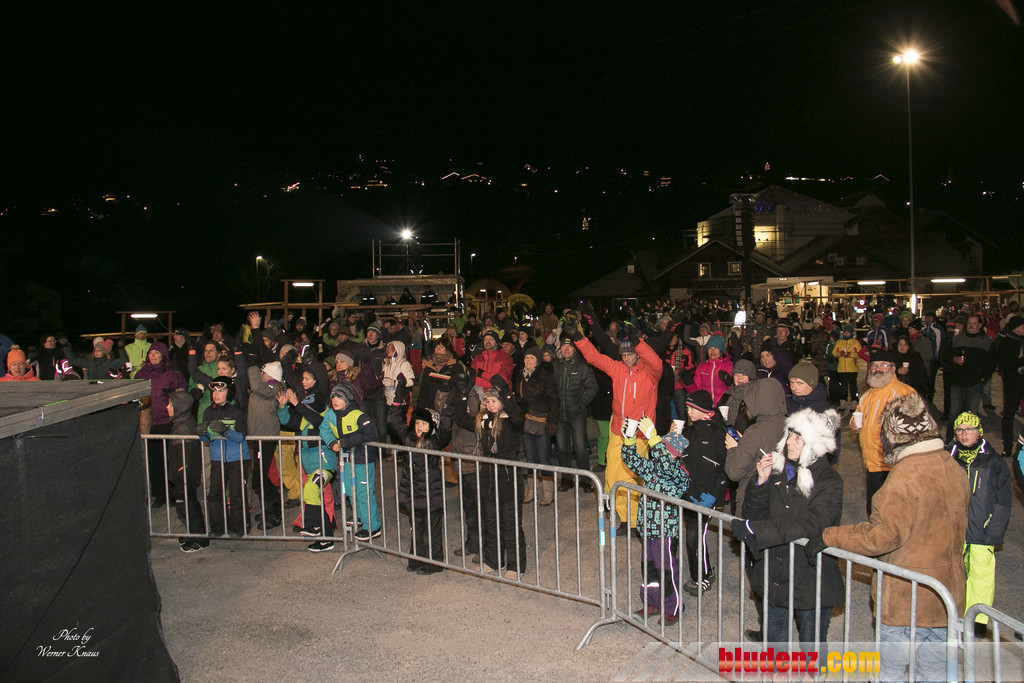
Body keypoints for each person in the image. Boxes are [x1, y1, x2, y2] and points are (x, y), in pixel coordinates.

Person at [817, 393, 969, 682]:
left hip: (906, 601)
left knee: (890, 674)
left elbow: (881, 536)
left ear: (891, 436)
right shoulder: (953, 467)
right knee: (934, 674)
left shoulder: (902, 478)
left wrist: (830, 536)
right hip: (946, 597)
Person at [731, 407, 844, 655]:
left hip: (810, 577)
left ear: (814, 446)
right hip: (775, 574)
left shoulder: (829, 482)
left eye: (798, 438)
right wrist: (760, 482)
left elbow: (810, 525)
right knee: (775, 646)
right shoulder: (779, 471)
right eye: (789, 435)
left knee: (812, 647)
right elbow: (753, 514)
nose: (789, 442)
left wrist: (757, 531)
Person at [568, 304, 661, 532]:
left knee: (631, 478)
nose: (626, 358)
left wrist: (638, 342)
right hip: (618, 430)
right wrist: (579, 338)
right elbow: (594, 358)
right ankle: (623, 516)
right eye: (623, 355)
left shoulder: (651, 373)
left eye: (630, 354)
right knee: (612, 475)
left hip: (640, 434)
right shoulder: (618, 368)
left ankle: (635, 521)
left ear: (637, 354)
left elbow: (655, 361)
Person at [450, 375, 526, 579]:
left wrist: (506, 392)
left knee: (510, 522)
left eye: (494, 401)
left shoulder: (510, 420)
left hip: (508, 476)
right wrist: (462, 395)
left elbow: (518, 415)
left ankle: (515, 565)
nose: (491, 405)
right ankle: (493, 560)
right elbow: (460, 418)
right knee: (491, 521)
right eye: (488, 401)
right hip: (488, 477)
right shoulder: (483, 421)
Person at [945, 412, 1011, 637]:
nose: (965, 434)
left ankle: (978, 621)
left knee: (981, 575)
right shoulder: (946, 458)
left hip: (983, 529)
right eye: (960, 430)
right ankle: (952, 616)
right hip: (953, 529)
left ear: (979, 432)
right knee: (952, 573)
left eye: (970, 429)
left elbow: (1003, 502)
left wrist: (993, 530)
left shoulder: (994, 462)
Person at [621, 417, 691, 627]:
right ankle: (652, 602)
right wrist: (629, 439)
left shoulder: (679, 474)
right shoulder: (652, 468)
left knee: (666, 569)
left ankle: (672, 607)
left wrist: (653, 438)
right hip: (648, 528)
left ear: (675, 454)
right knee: (649, 568)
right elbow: (632, 460)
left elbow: (667, 466)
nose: (657, 451)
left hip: (665, 531)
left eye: (663, 448)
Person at [389, 383, 452, 574]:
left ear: (432, 426)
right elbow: (393, 420)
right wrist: (398, 397)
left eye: (424, 424)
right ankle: (417, 558)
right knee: (415, 527)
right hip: (412, 492)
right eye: (417, 423)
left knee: (432, 529)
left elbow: (446, 427)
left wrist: (451, 401)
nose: (419, 427)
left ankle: (434, 562)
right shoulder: (408, 438)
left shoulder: (434, 441)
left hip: (430, 493)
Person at [852, 349, 919, 516]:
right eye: (874, 365)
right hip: (872, 462)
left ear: (893, 368)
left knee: (895, 510)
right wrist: (853, 422)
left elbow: (916, 429)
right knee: (875, 507)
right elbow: (859, 413)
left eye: (883, 365)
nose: (878, 369)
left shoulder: (904, 393)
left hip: (893, 464)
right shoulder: (867, 395)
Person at [678, 390, 729, 596]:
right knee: (695, 538)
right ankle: (705, 571)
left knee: (694, 538)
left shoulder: (718, 433)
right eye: (688, 408)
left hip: (706, 496)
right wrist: (672, 436)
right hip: (688, 494)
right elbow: (673, 455)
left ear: (703, 410)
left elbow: (726, 468)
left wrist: (714, 495)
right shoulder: (688, 432)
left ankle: (702, 577)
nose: (688, 412)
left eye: (692, 408)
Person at [277, 368, 335, 551]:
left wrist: (296, 403)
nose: (303, 382)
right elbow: (289, 422)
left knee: (311, 489)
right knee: (312, 494)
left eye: (307, 378)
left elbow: (316, 420)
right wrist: (283, 406)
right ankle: (324, 537)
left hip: (325, 464)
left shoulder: (324, 414)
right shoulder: (304, 418)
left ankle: (315, 527)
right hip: (309, 464)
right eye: (302, 378)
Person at [320, 381, 381, 542]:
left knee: (363, 492)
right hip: (347, 459)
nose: (335, 400)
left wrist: (345, 442)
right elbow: (324, 429)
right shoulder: (330, 414)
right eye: (333, 396)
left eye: (339, 397)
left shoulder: (358, 415)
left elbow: (371, 434)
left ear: (347, 399)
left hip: (362, 459)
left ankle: (372, 526)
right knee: (349, 490)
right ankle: (360, 516)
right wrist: (331, 442)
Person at [724, 378, 787, 513]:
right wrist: (744, 444)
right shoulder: (789, 426)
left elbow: (734, 472)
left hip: (753, 499)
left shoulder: (755, 433)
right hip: (780, 499)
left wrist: (733, 449)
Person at [136, 342, 187, 507]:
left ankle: (173, 493)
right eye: (151, 353)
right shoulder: (142, 374)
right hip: (149, 422)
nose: (153, 355)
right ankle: (159, 495)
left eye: (156, 353)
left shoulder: (171, 373)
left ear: (163, 356)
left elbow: (181, 392)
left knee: (170, 459)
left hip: (167, 421)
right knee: (154, 460)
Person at [198, 376, 250, 537]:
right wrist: (201, 434)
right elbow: (207, 439)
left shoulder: (236, 411)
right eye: (214, 391)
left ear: (229, 392)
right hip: (217, 458)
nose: (216, 394)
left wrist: (226, 431)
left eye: (221, 391)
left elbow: (241, 437)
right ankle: (218, 527)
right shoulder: (208, 412)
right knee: (214, 493)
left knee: (236, 493)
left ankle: (239, 527)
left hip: (237, 458)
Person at [514, 347, 559, 505]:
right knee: (530, 457)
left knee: (543, 458)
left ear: (538, 360)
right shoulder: (520, 376)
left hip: (541, 421)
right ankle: (531, 490)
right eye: (527, 357)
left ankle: (548, 492)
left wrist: (551, 420)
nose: (528, 360)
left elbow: (554, 399)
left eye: (532, 358)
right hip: (526, 421)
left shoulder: (545, 375)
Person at [552, 334, 598, 490]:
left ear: (574, 349)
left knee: (580, 449)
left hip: (577, 414)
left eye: (569, 346)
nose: (566, 349)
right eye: (564, 346)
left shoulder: (582, 366)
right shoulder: (555, 365)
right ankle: (566, 480)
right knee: (562, 449)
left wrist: (581, 404)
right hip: (560, 415)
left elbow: (592, 388)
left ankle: (585, 481)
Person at [165, 390, 208, 552]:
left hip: (184, 474)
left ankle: (199, 539)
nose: (167, 407)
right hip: (182, 473)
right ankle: (193, 533)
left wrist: (182, 472)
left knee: (187, 505)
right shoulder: (180, 423)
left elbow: (186, 454)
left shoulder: (183, 427)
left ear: (180, 406)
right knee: (185, 504)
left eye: (170, 404)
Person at [941, 313, 994, 442]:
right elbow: (945, 355)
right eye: (969, 323)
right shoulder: (958, 339)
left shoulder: (986, 342)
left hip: (975, 384)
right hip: (957, 382)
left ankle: (969, 442)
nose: (971, 326)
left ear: (980, 325)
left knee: (970, 416)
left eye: (974, 323)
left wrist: (984, 376)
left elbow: (992, 362)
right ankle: (950, 442)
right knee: (953, 414)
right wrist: (954, 358)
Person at [995, 316, 1024, 457]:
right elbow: (1005, 364)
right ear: (1016, 328)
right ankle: (1007, 445)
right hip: (1013, 383)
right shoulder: (1007, 342)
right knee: (1008, 414)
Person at [693, 334, 732, 406]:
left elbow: (733, 389)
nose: (712, 351)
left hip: (722, 405)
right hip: (705, 404)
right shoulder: (701, 367)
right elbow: (697, 388)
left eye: (716, 348)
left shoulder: (728, 366)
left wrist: (729, 382)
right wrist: (689, 384)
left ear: (721, 350)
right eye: (710, 348)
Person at [831, 324, 862, 412]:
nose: (846, 333)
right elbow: (834, 353)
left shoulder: (855, 342)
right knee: (843, 387)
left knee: (853, 387)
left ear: (851, 333)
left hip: (852, 369)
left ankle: (854, 402)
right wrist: (840, 353)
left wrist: (850, 354)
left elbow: (860, 354)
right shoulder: (839, 342)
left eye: (848, 332)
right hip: (841, 369)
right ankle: (843, 403)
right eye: (845, 332)